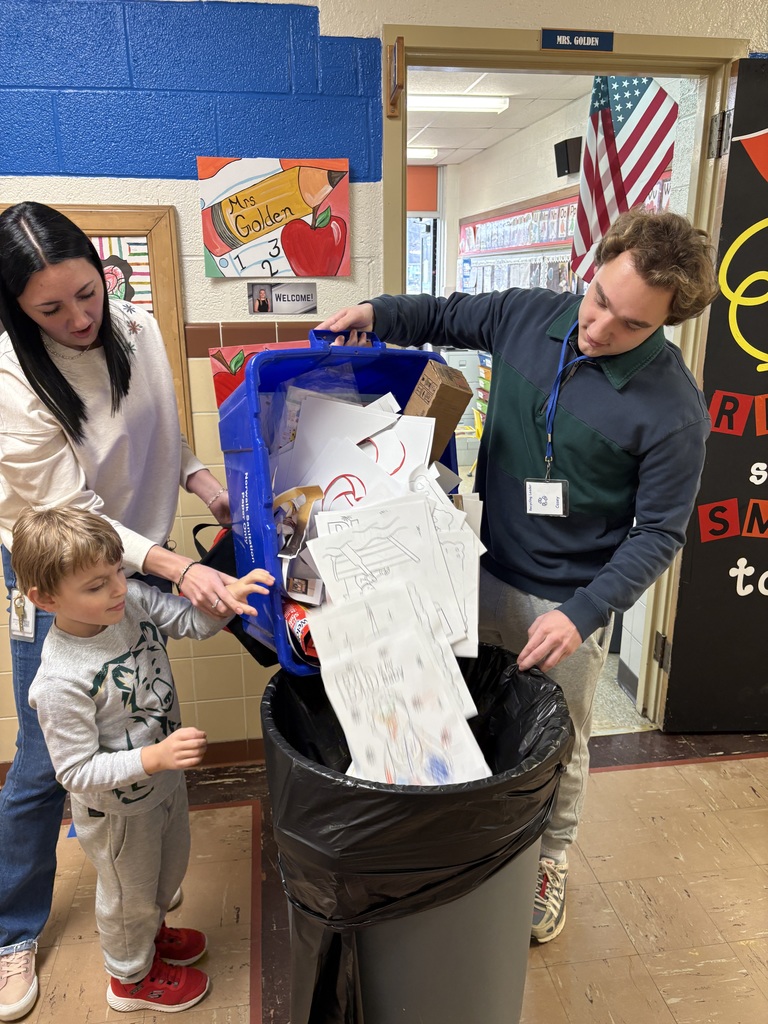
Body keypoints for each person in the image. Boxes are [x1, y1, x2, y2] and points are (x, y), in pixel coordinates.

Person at [317, 208, 719, 943]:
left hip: (565, 603)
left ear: (668, 322)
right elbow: (444, 314)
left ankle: (549, 861)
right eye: (599, 299)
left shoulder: (673, 409)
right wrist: (376, 311)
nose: (598, 328)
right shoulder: (530, 315)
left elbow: (660, 532)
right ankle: (465, 838)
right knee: (458, 707)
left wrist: (584, 613)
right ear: (595, 269)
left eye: (630, 324)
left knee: (559, 742)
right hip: (475, 566)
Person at [0, 201, 240, 1021]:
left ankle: (144, 907)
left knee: (134, 711)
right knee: (45, 761)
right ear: (17, 310)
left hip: (135, 564)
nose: (79, 318)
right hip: (66, 568)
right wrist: (174, 570)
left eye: (86, 294)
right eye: (50, 309)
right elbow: (75, 514)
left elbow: (162, 434)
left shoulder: (135, 327)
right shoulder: (14, 379)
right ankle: (10, 932)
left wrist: (203, 483)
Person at [11, 506, 273, 1012]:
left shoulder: (127, 600)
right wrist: (153, 757)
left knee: (164, 872)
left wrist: (227, 602)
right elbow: (75, 771)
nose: (116, 589)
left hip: (162, 783)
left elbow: (190, 621)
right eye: (96, 585)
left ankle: (150, 932)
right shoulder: (61, 680)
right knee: (126, 896)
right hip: (117, 812)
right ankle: (129, 979)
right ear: (45, 599)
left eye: (117, 571)